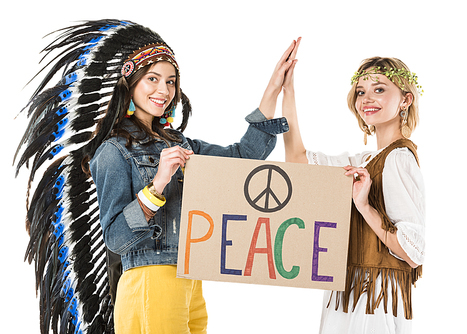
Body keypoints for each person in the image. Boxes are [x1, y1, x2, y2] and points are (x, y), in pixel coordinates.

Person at [15, 19, 299, 334]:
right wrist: (158, 183)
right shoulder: (112, 151)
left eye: (171, 81)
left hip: (190, 276)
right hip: (151, 279)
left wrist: (274, 88)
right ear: (131, 82)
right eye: (152, 79)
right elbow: (116, 238)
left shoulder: (178, 143)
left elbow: (243, 158)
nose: (163, 90)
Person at [281, 50, 425, 334]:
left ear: (405, 100)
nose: (366, 99)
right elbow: (297, 160)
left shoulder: (398, 158)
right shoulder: (365, 161)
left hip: (373, 299)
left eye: (379, 89)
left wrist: (364, 207)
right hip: (350, 291)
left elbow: (412, 251)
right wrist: (288, 90)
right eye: (361, 91)